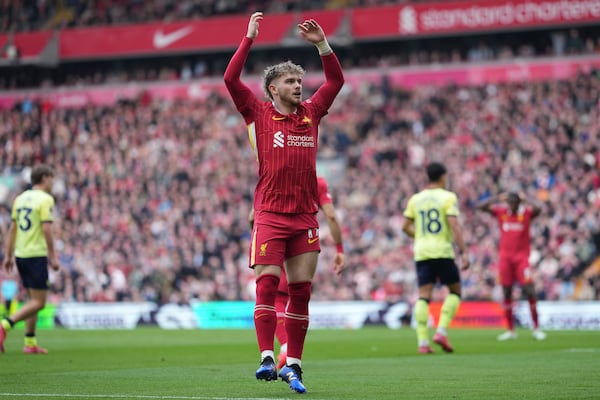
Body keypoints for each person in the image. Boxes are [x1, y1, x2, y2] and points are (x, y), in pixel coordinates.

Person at [224, 11, 344, 393]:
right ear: (272, 88)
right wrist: (249, 39)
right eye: (290, 81)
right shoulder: (257, 113)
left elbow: (336, 80)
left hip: (305, 218)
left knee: (301, 291)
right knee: (266, 283)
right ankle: (265, 357)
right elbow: (229, 79)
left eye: (299, 79)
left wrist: (323, 44)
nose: (298, 85)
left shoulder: (312, 113)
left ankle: (294, 365)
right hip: (271, 215)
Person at [249, 176, 346, 369]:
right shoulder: (317, 182)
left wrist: (261, 240)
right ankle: (291, 355)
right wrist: (339, 249)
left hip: (273, 240)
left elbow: (253, 217)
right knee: (297, 296)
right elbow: (331, 216)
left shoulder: (271, 176)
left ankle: (284, 347)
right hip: (302, 245)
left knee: (274, 297)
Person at [402, 162, 470, 354]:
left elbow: (405, 226)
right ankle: (441, 331)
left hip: (422, 252)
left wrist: (420, 236)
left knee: (424, 296)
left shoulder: (416, 199)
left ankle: (423, 342)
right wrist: (464, 251)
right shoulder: (448, 197)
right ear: (443, 177)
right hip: (442, 251)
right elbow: (454, 225)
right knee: (455, 290)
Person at [0, 164, 61, 354]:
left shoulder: (20, 199)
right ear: (44, 178)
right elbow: (46, 228)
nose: (53, 182)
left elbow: (13, 229)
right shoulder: (45, 199)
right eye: (52, 178)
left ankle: (30, 342)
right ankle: (4, 326)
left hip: (21, 254)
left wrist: (8, 255)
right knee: (39, 302)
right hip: (36, 254)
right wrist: (53, 255)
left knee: (31, 299)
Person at [476, 192, 546, 341]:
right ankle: (510, 330)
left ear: (519, 203)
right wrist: (497, 197)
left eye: (514, 202)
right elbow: (480, 207)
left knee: (529, 290)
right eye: (509, 202)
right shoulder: (502, 212)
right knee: (506, 292)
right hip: (505, 259)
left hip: (522, 259)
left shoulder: (526, 213)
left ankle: (536, 328)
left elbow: (539, 208)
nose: (511, 205)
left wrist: (525, 198)